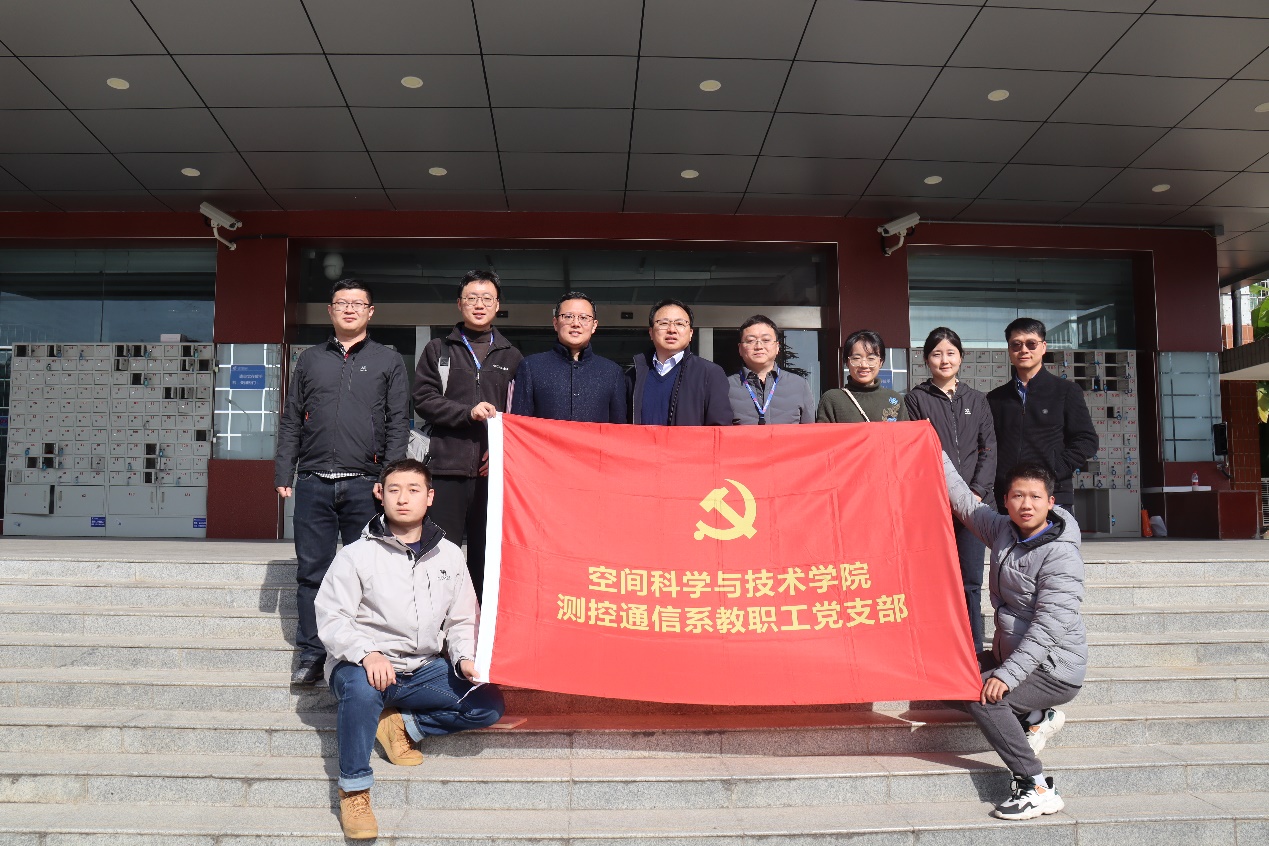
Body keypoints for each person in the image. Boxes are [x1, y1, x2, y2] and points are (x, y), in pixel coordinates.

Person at [316, 457, 505, 839]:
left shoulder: (449, 555)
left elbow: (463, 619)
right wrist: (367, 653)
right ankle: (354, 790)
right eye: (395, 490)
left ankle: (402, 726)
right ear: (380, 494)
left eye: (413, 490)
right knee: (361, 690)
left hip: (421, 668)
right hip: (363, 665)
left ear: (430, 496)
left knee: (488, 704)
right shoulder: (356, 555)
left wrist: (465, 658)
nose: (403, 499)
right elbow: (332, 617)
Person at [275, 278, 409, 686]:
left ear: (371, 311)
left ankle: (366, 650)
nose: (349, 309)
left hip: (365, 484)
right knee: (312, 572)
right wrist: (285, 471)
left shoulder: (388, 360)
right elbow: (292, 418)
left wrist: (389, 480)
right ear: (330, 310)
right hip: (313, 480)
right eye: (341, 303)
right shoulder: (310, 360)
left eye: (357, 303)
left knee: (368, 573)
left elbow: (398, 423)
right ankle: (312, 652)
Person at [943, 458, 1086, 821]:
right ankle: (1035, 716)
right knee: (946, 674)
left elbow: (1047, 629)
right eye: (1018, 496)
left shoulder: (1061, 555)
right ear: (1005, 500)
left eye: (1035, 497)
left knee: (983, 697)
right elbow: (963, 501)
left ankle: (1035, 786)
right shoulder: (1004, 530)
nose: (1026, 504)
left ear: (1050, 502)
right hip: (1013, 655)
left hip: (1052, 669)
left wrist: (1005, 677)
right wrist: (930, 444)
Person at [414, 270, 523, 599]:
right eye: (472, 298)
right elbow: (423, 399)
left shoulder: (512, 356)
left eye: (487, 298)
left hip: (492, 474)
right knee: (439, 556)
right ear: (459, 303)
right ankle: (439, 625)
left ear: (497, 305)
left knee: (486, 556)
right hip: (445, 469)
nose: (479, 304)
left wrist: (504, 452)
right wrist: (466, 412)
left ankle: (480, 625)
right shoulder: (438, 350)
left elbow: (519, 414)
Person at [905, 327, 997, 653]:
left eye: (950, 353)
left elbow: (989, 449)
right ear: (926, 359)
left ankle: (973, 648)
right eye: (937, 354)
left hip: (974, 506)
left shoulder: (977, 400)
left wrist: (976, 492)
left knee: (971, 581)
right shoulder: (916, 400)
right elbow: (915, 452)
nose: (944, 360)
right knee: (935, 579)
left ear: (961, 357)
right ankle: (938, 647)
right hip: (934, 506)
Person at [987, 318, 1098, 511]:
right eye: (1016, 344)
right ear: (1009, 350)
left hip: (1053, 495)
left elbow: (1086, 440)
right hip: (1008, 497)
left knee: (1053, 534)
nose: (1024, 350)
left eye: (1031, 344)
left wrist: (1053, 470)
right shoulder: (995, 398)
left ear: (1043, 347)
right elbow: (987, 444)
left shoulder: (1066, 391)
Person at [510, 291, 627, 423]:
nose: (576, 323)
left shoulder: (612, 372)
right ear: (555, 323)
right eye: (568, 316)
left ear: (594, 325)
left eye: (584, 318)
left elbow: (619, 428)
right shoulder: (531, 367)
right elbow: (519, 425)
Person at [628, 298, 731, 426]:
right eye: (663, 323)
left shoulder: (710, 373)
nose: (672, 329)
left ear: (691, 333)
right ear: (651, 333)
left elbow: (718, 429)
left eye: (680, 324)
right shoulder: (634, 375)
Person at [728, 314, 816, 425]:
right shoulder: (725, 387)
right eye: (750, 341)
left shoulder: (799, 385)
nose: (759, 346)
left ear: (777, 346)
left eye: (766, 340)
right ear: (740, 349)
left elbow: (810, 431)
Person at [816, 329, 908, 423]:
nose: (864, 365)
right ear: (847, 362)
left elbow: (905, 432)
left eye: (871, 358)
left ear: (881, 362)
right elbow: (824, 432)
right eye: (856, 358)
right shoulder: (832, 399)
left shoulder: (895, 399)